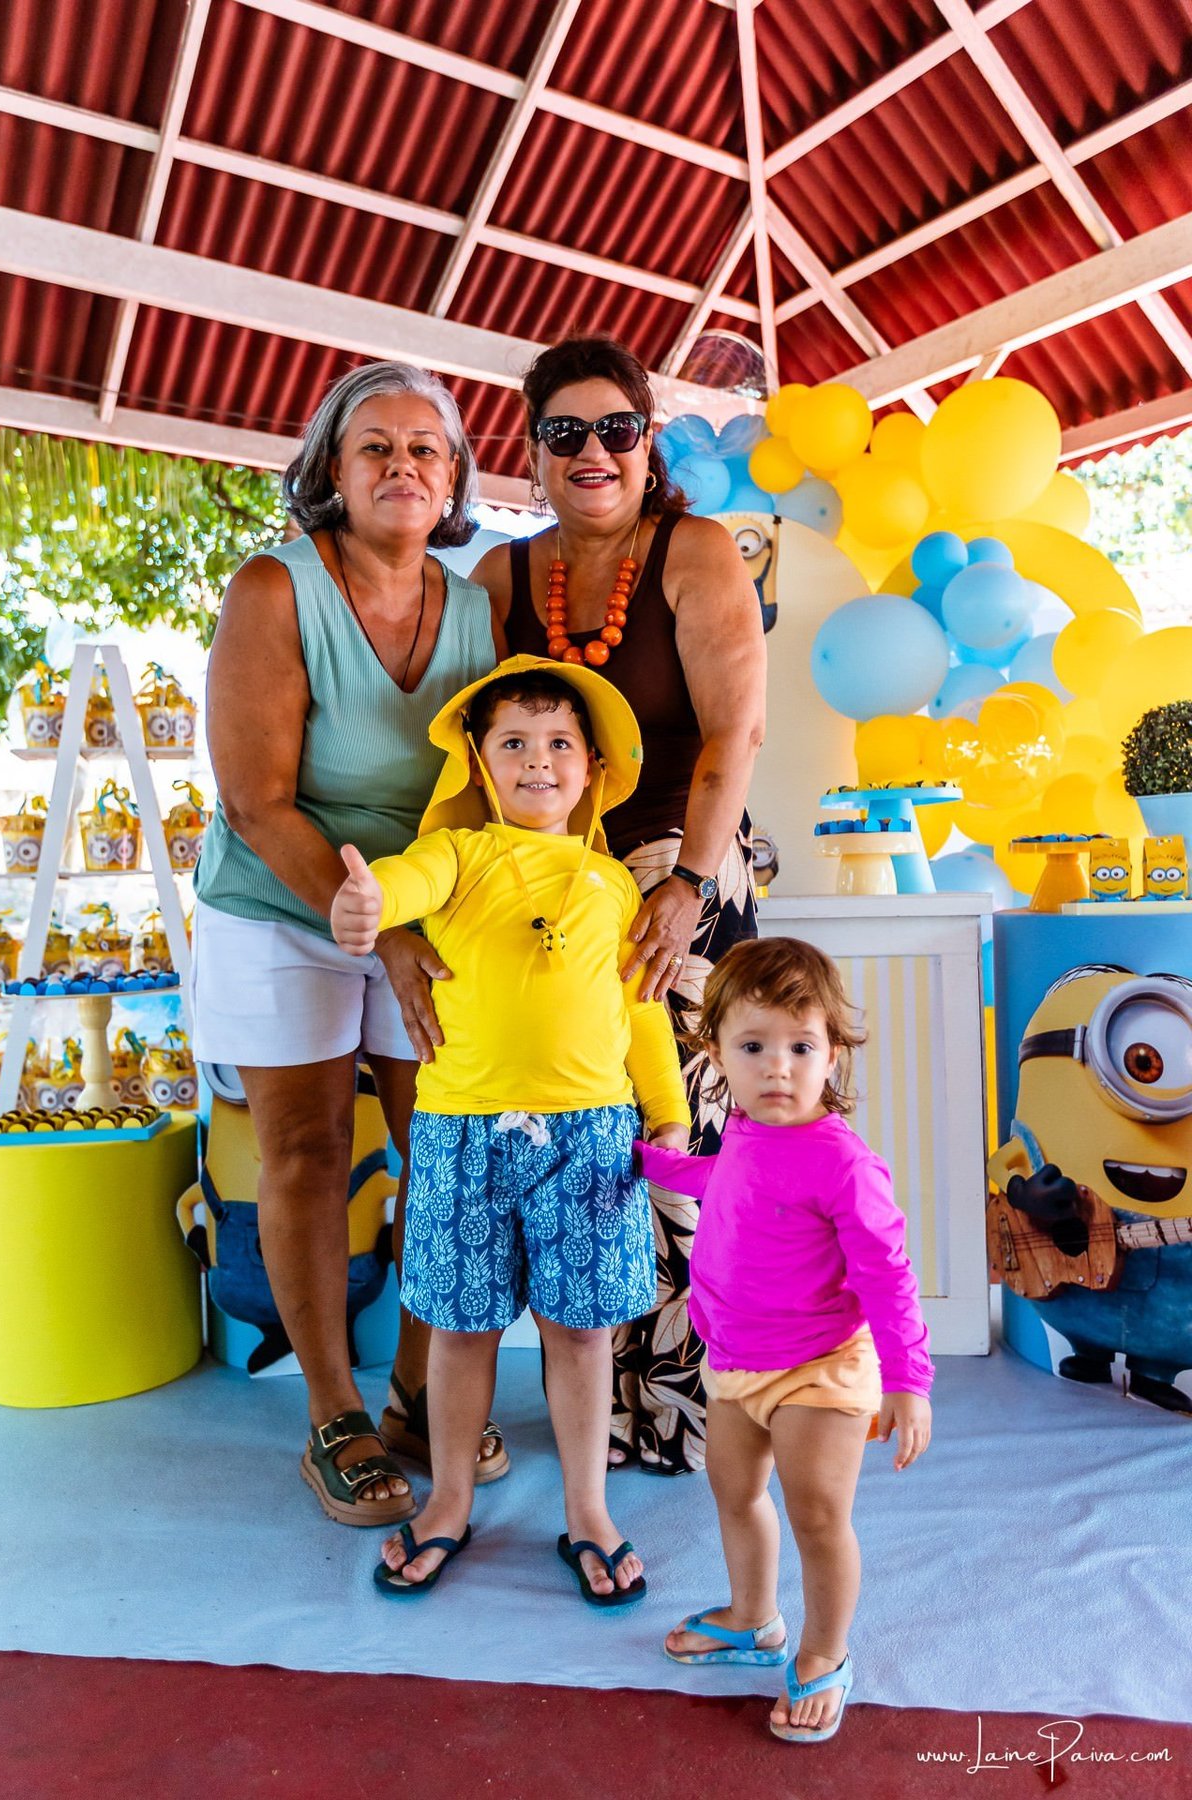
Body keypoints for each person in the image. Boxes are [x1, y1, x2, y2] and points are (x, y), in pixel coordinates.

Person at [192, 360, 507, 1528]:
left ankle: (424, 1398)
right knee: (311, 1153)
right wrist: (384, 940)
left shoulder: (476, 608)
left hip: (415, 912)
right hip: (284, 903)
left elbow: (491, 783)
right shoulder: (274, 589)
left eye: (428, 447)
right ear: (330, 467)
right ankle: (333, 1412)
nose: (404, 466)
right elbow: (257, 804)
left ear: (457, 475)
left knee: (455, 1152)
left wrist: (426, 922)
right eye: (376, 446)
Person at [469, 334, 768, 1475]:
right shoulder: (506, 576)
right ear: (533, 452)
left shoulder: (693, 550)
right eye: (564, 433)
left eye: (615, 430)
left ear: (648, 444)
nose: (591, 452)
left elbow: (733, 737)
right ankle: (597, 1401)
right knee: (574, 1140)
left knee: (671, 1130)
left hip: (673, 867)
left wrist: (687, 885)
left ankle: (691, 1409)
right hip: (551, 887)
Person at [329, 658, 690, 1601]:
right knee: (459, 1331)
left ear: (593, 768)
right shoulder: (461, 857)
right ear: (482, 767)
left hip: (593, 1138)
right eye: (515, 744)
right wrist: (370, 904)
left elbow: (644, 1008)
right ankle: (448, 1500)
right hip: (459, 1135)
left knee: (581, 1334)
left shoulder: (615, 886)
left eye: (560, 742)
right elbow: (404, 882)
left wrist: (671, 1111)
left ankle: (587, 1510)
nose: (539, 760)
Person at [638, 937, 933, 1743]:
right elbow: (727, 1184)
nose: (779, 1067)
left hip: (822, 1370)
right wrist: (655, 1165)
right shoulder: (742, 1131)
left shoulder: (843, 1163)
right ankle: (751, 1615)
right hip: (735, 1367)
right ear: (717, 1055)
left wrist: (909, 1383)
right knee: (733, 1493)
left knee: (817, 1514)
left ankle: (825, 1652)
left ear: (831, 1054)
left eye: (801, 1047)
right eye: (755, 1046)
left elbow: (888, 1276)